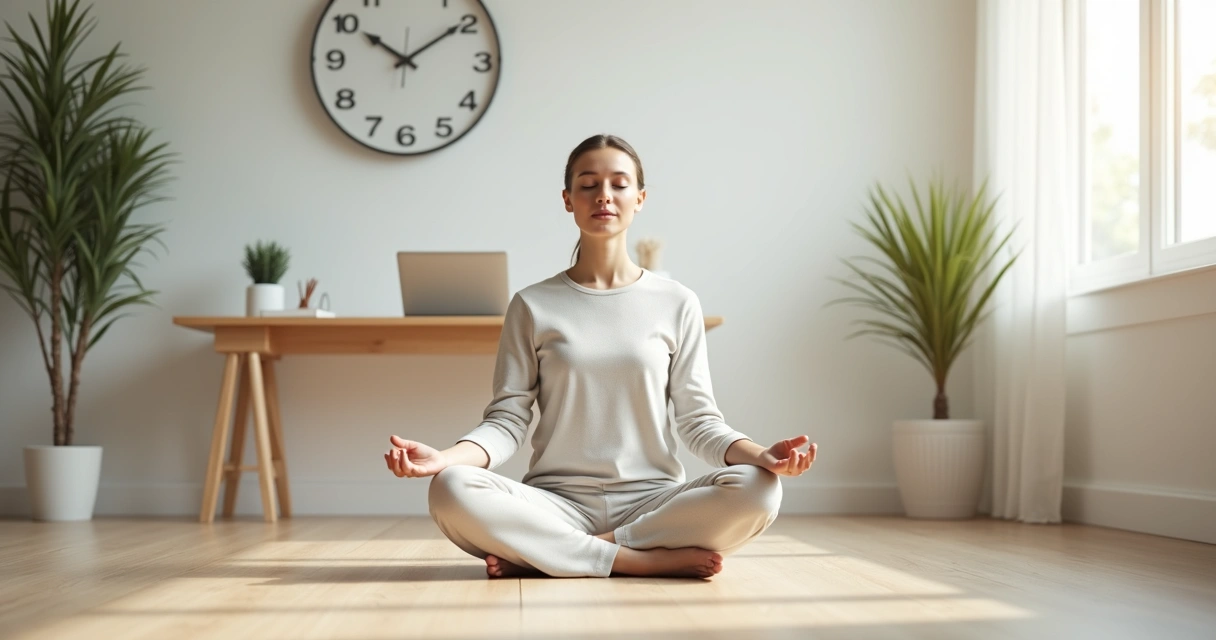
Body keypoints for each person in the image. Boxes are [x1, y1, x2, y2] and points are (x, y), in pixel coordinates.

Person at [384, 134, 818, 580]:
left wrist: (761, 455)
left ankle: (563, 555)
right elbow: (507, 421)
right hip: (554, 505)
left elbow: (698, 421)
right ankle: (635, 560)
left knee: (760, 489)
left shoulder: (677, 302)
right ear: (568, 200)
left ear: (640, 198)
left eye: (619, 184)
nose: (604, 196)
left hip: (654, 505)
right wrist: (446, 458)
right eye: (588, 184)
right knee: (451, 488)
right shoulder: (533, 304)